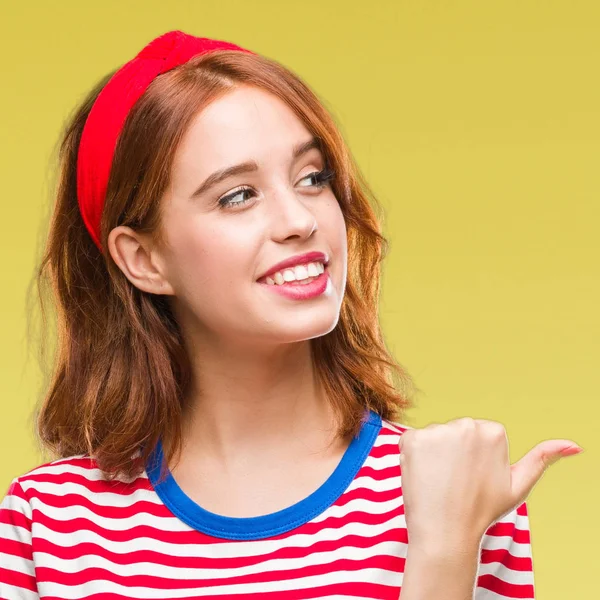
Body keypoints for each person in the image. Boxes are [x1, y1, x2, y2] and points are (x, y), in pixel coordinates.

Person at [0, 30, 581, 600]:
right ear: (144, 260)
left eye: (311, 178)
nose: (300, 220)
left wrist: (444, 550)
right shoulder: (47, 527)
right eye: (238, 196)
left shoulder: (458, 491)